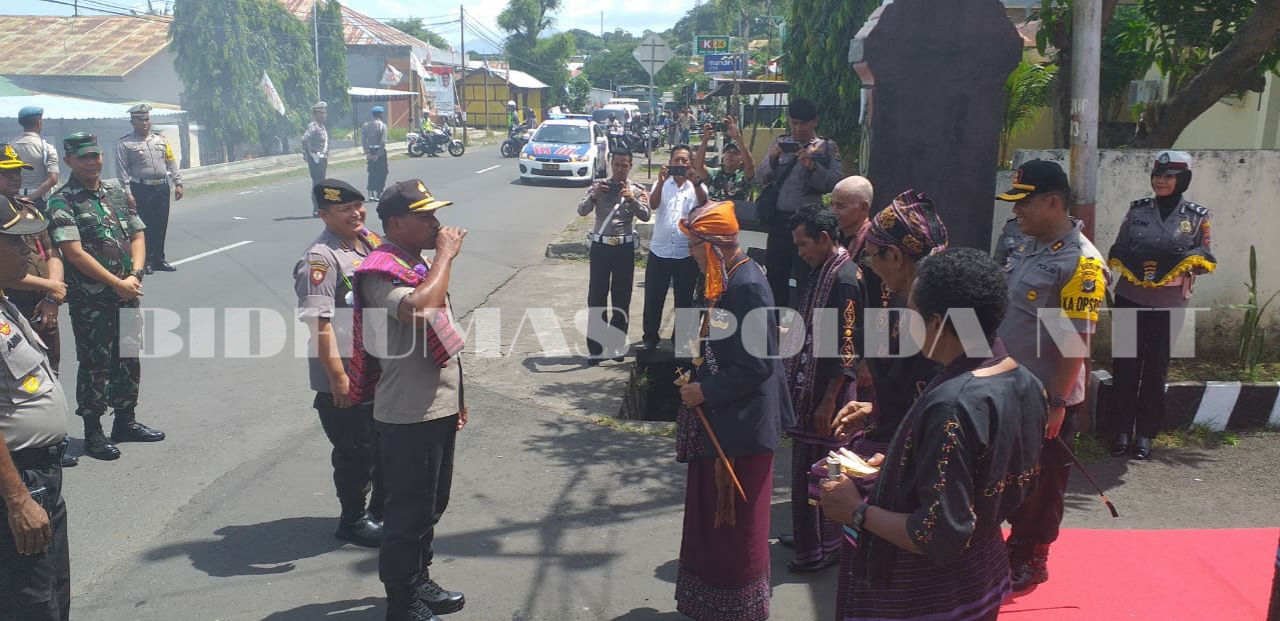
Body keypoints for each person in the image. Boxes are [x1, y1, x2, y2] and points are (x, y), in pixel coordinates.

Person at [819, 247, 1048, 621]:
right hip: (982, 573)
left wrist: (855, 511)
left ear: (938, 323)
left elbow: (937, 533)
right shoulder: (1025, 381)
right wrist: (898, 468)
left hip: (927, 596)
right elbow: (986, 478)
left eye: (911, 312)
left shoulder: (952, 406)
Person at [350, 179, 467, 621]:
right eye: (424, 216)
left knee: (431, 505)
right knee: (407, 513)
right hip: (407, 414)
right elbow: (420, 310)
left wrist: (459, 399)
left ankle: (419, 578)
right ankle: (401, 602)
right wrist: (445, 256)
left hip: (436, 407)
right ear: (396, 223)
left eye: (435, 214)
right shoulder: (382, 271)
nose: (436, 223)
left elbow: (443, 337)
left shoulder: (415, 265)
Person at [828, 189, 947, 620]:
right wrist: (875, 412)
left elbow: (940, 406)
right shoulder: (909, 303)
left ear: (897, 258)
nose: (867, 266)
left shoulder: (938, 323)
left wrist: (894, 447)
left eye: (874, 255)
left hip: (917, 490)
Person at [675, 200, 794, 621]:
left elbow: (759, 364)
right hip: (722, 421)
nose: (689, 254)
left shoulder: (747, 284)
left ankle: (738, 612)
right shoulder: (722, 280)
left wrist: (706, 391)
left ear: (714, 246)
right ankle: (710, 607)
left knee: (736, 529)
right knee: (712, 525)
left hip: (741, 428)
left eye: (693, 246)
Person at [994, 159, 1107, 591]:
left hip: (1046, 397)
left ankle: (1031, 557)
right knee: (1007, 473)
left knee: (1041, 484)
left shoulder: (1081, 264)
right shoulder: (1030, 246)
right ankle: (1005, 546)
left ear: (1053, 202)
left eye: (1024, 204)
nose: (1016, 212)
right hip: (1011, 385)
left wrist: (1057, 402)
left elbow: (1073, 341)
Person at [47, 132, 163, 462]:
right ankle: (94, 431)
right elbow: (74, 253)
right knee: (95, 363)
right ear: (69, 160)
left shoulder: (113, 192)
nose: (92, 162)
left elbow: (138, 233)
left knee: (128, 356)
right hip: (92, 301)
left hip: (128, 291)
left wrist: (134, 275)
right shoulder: (63, 200)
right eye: (83, 157)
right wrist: (115, 282)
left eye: (95, 155)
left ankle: (126, 422)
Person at [294, 179, 386, 548]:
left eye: (359, 205)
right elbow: (319, 324)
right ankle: (352, 520)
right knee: (355, 451)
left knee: (379, 446)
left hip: (378, 367)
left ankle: (378, 512)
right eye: (345, 209)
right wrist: (338, 379)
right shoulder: (320, 259)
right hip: (347, 373)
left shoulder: (367, 242)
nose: (356, 213)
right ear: (323, 214)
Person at [1107, 151, 1215, 461]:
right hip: (1131, 297)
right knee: (1125, 364)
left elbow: (1206, 258)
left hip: (1169, 302)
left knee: (1155, 370)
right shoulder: (1137, 210)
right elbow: (1120, 246)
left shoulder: (1197, 216)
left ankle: (1145, 434)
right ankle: (1121, 430)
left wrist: (1185, 264)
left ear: (1182, 180)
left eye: (1169, 176)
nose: (1161, 180)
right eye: (1157, 174)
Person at [780, 204, 866, 572]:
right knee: (803, 468)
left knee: (826, 471)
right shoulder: (820, 270)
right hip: (809, 386)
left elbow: (847, 349)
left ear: (825, 238)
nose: (801, 252)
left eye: (804, 245)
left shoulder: (845, 278)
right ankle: (807, 537)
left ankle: (827, 547)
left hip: (827, 394)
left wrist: (829, 400)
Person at [0, 195, 73, 621]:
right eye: (14, 242)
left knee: (51, 592)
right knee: (29, 602)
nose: (27, 251)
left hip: (40, 475)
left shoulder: (6, 301)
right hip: (19, 480)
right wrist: (16, 499)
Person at [755, 97, 844, 308]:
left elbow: (836, 183)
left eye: (803, 123)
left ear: (814, 122)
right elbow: (760, 178)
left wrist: (812, 166)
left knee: (807, 278)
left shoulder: (827, 148)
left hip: (807, 224)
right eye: (794, 122)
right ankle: (774, 330)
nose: (798, 128)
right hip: (779, 222)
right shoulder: (780, 142)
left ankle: (805, 329)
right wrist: (773, 158)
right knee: (776, 277)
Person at [577, 150, 651, 363]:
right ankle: (596, 349)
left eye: (624, 165)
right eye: (616, 164)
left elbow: (646, 215)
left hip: (623, 249)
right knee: (597, 297)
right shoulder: (597, 186)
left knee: (621, 297)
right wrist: (595, 196)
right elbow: (581, 211)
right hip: (600, 248)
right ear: (611, 164)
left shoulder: (637, 189)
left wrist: (631, 200)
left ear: (630, 166)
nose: (620, 169)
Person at [641, 145, 706, 352]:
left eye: (685, 160)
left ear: (691, 163)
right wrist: (660, 183)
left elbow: (704, 203)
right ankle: (650, 337)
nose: (680, 164)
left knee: (684, 298)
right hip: (659, 250)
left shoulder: (697, 186)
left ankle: (682, 339)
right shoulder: (662, 184)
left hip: (685, 252)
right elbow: (652, 205)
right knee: (653, 296)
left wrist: (694, 181)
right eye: (677, 160)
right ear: (669, 162)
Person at [116, 104, 183, 274]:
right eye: (140, 120)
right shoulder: (125, 144)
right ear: (133, 122)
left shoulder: (161, 140)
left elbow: (171, 161)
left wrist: (178, 182)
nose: (145, 123)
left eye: (147, 119)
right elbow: (122, 170)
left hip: (161, 186)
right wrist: (128, 193)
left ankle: (159, 259)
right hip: (141, 188)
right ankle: (145, 261)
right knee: (144, 226)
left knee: (161, 224)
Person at [692, 116, 755, 202]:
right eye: (728, 152)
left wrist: (737, 137)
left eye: (735, 153)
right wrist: (705, 139)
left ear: (741, 159)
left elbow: (750, 166)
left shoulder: (743, 177)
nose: (730, 155)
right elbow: (698, 166)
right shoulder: (714, 174)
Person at [9, 107, 60, 209]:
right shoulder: (47, 148)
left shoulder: (9, 147)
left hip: (13, 198)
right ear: (39, 123)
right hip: (40, 200)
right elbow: (53, 179)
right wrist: (30, 198)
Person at [303, 102, 330, 217]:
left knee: (321, 183)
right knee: (317, 184)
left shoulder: (321, 126)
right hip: (315, 158)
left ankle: (320, 207)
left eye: (325, 112)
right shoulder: (313, 126)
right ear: (315, 114)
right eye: (321, 113)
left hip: (322, 158)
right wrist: (308, 154)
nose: (324, 115)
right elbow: (304, 139)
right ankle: (316, 208)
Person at [363, 107, 389, 201]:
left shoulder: (366, 125)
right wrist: (378, 155)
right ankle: (379, 192)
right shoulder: (383, 126)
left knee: (371, 172)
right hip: (380, 152)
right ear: (380, 114)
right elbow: (383, 142)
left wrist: (368, 153)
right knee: (382, 172)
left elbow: (363, 141)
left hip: (370, 150)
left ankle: (371, 193)